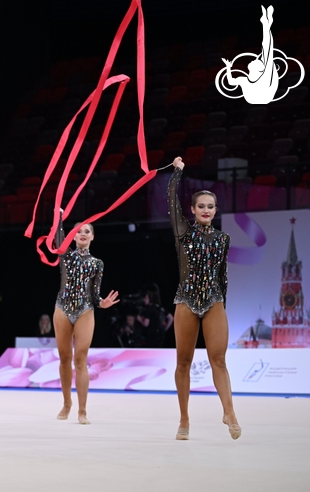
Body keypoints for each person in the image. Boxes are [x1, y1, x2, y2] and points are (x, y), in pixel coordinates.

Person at [168, 156, 241, 440]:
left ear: (215, 210)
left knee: (218, 359)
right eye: (201, 206)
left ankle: (229, 412)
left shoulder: (223, 239)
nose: (206, 210)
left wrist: (222, 304)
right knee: (183, 361)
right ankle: (184, 419)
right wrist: (177, 173)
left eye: (211, 206)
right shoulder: (183, 232)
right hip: (186, 299)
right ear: (193, 209)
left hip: (213, 300)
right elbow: (170, 202)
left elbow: (223, 275)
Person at [52, 214, 119, 424]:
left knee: (80, 359)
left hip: (85, 310)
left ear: (92, 237)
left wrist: (102, 303)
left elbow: (94, 293)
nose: (82, 234)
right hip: (62, 308)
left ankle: (82, 411)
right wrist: (59, 215)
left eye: (86, 231)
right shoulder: (66, 256)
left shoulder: (97, 263)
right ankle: (66, 403)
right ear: (72, 237)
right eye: (78, 231)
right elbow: (57, 236)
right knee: (64, 359)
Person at [221, 5, 278, 104]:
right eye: (257, 60)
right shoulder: (244, 80)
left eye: (257, 61)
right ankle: (266, 24)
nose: (255, 59)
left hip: (264, 97)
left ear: (260, 69)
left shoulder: (265, 76)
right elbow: (230, 82)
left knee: (267, 51)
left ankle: (266, 24)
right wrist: (228, 67)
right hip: (255, 99)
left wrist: (266, 26)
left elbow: (267, 47)